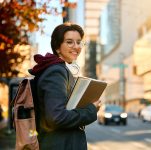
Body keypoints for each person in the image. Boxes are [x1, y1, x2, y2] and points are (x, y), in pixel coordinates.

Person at [29, 22, 101, 150]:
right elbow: (57, 117)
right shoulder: (56, 72)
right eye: (69, 42)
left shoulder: (59, 69)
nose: (76, 47)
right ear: (57, 47)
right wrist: (91, 109)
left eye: (79, 42)